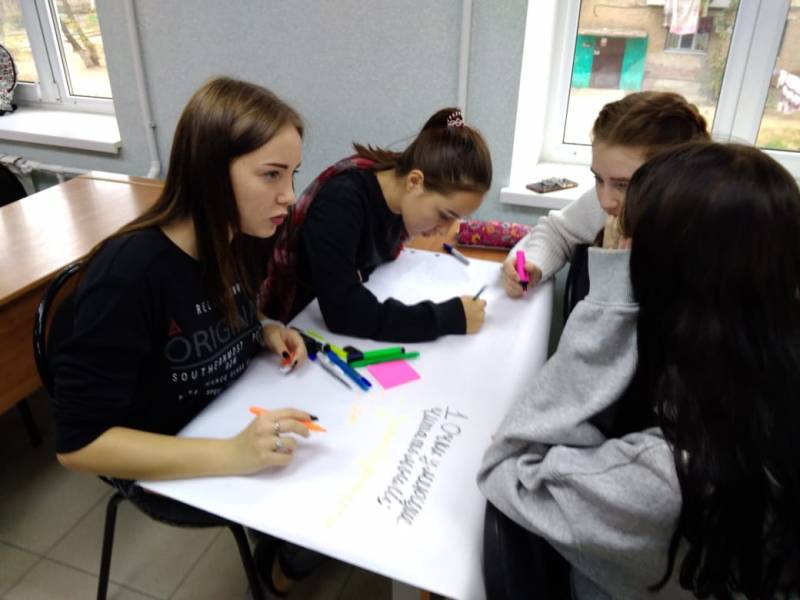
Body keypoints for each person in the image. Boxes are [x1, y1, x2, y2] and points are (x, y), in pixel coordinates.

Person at [478, 142, 800, 599]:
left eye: (630, 240)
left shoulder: (665, 476)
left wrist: (610, 302)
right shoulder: (756, 354)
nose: (610, 212)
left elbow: (508, 467)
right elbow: (558, 230)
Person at [51, 77, 319, 597]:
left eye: (292, 174)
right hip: (162, 452)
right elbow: (78, 445)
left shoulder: (242, 235)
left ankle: (284, 561)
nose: (289, 196)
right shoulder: (130, 273)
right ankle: (279, 571)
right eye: (271, 174)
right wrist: (232, 455)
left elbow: (227, 307)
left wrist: (262, 327)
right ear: (209, 172)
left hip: (226, 413)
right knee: (320, 500)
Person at [261, 107, 492, 342]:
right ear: (415, 181)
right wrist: (448, 317)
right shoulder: (341, 202)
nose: (445, 229)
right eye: (445, 215)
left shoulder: (399, 187)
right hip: (291, 324)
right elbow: (345, 313)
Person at [502, 91, 709, 297]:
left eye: (623, 185)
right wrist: (533, 262)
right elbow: (556, 232)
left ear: (677, 183)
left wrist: (615, 271)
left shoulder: (704, 245)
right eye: (599, 179)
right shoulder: (607, 203)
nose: (605, 201)